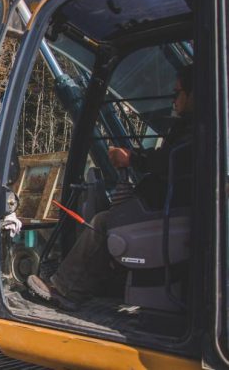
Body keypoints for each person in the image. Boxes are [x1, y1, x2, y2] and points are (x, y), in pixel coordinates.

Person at [27, 64, 194, 311]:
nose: (173, 99)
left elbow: (168, 161)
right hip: (173, 210)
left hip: (171, 213)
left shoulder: (195, 131)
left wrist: (131, 158)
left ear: (194, 95)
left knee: (104, 222)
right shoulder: (195, 128)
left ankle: (66, 290)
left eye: (177, 93)